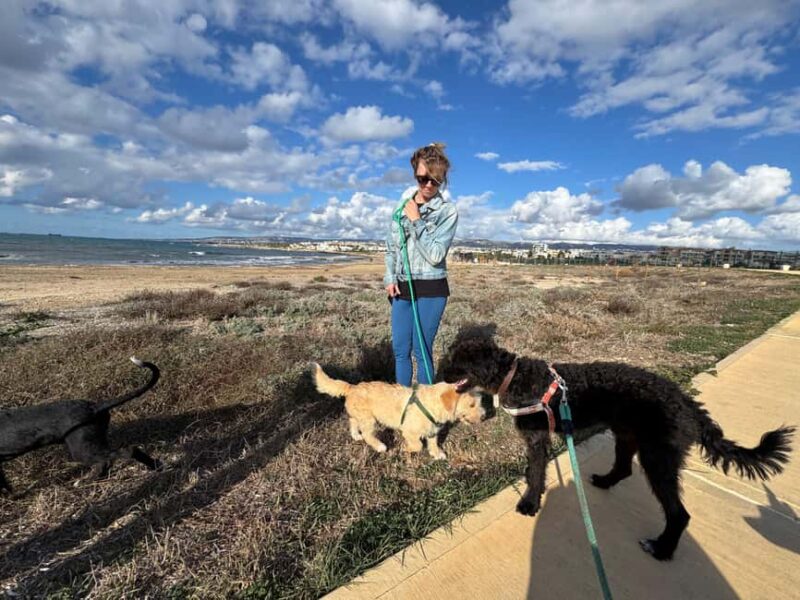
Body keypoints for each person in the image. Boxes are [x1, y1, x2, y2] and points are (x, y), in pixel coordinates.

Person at [384, 142, 458, 386]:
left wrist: (417, 222)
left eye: (435, 181)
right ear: (415, 173)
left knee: (421, 350)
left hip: (431, 287)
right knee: (400, 350)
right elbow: (392, 248)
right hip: (402, 286)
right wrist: (390, 278)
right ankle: (402, 409)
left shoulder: (447, 212)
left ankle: (426, 413)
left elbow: (436, 254)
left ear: (442, 179)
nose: (428, 185)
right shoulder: (401, 207)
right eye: (422, 178)